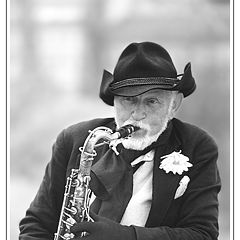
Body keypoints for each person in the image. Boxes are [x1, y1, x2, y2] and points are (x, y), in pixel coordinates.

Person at [19, 42, 221, 240]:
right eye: (128, 100)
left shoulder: (197, 146)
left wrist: (124, 236)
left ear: (174, 105)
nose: (138, 114)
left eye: (151, 101)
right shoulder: (74, 139)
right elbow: (36, 225)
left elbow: (203, 234)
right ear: (114, 102)